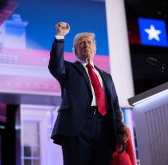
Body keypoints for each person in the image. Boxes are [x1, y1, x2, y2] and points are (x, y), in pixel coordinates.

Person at [48, 21, 126, 165]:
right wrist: (60, 36)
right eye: (81, 42)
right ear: (75, 50)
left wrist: (120, 133)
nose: (86, 44)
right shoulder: (68, 69)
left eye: (89, 42)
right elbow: (55, 65)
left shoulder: (106, 76)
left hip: (104, 128)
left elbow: (114, 106)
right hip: (77, 126)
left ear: (95, 48)